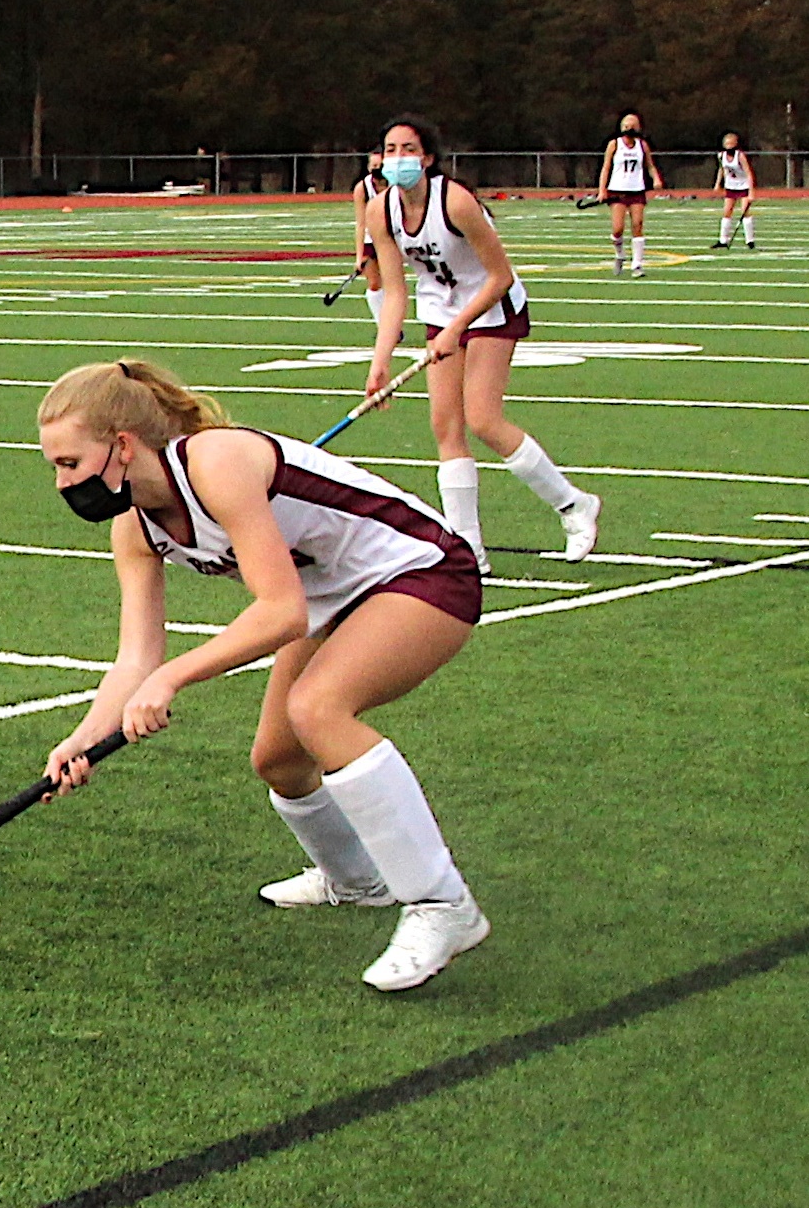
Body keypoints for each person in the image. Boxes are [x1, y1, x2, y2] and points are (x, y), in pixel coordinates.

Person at [38, 358, 489, 991]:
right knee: (279, 759)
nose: (62, 483)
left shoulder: (215, 462)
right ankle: (359, 882)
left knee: (318, 708)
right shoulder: (134, 528)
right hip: (334, 599)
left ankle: (443, 906)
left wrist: (174, 679)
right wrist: (82, 739)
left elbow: (280, 611)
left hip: (421, 570)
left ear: (121, 446)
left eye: (68, 463)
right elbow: (136, 658)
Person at [365, 115, 601, 573]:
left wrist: (458, 329)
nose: (398, 159)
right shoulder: (381, 211)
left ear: (428, 158)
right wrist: (381, 363)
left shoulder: (456, 201)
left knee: (483, 418)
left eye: (408, 149)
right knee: (445, 428)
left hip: (492, 306)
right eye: (390, 149)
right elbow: (394, 291)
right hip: (441, 312)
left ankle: (574, 506)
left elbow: (500, 275)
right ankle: (468, 551)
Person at [596, 113, 662, 277]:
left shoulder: (642, 145)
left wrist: (656, 179)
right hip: (617, 190)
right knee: (617, 229)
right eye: (627, 126)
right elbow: (606, 167)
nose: (630, 129)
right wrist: (602, 190)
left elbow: (650, 166)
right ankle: (620, 254)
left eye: (633, 126)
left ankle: (637, 265)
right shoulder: (614, 144)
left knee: (637, 225)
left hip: (636, 189)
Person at [349, 149, 389, 317]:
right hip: (371, 239)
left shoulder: (396, 185)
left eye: (380, 165)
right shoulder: (362, 188)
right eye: (373, 165)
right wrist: (360, 256)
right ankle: (384, 327)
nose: (377, 169)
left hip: (393, 238)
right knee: (374, 283)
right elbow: (360, 224)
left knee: (393, 284)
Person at [712, 132, 756, 250]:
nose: (729, 146)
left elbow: (749, 173)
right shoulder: (721, 156)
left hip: (743, 186)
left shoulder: (740, 156)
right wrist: (717, 184)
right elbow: (721, 169)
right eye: (727, 143)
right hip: (730, 186)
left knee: (744, 212)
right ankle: (723, 240)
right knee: (727, 212)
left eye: (731, 143)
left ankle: (750, 241)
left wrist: (751, 192)